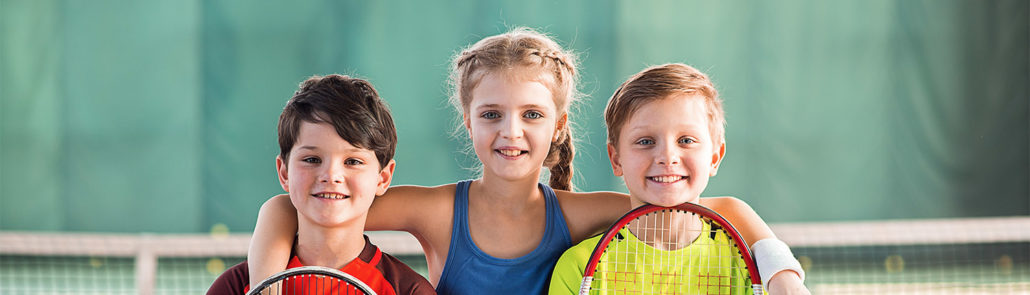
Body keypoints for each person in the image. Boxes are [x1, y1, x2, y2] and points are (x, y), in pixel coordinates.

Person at [247, 28, 802, 295]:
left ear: (558, 126)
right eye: (491, 114)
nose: (511, 132)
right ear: (468, 123)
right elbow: (288, 206)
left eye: (532, 115)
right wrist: (268, 282)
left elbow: (719, 208)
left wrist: (783, 275)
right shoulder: (439, 211)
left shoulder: (582, 214)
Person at [549, 64, 808, 294]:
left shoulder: (749, 267)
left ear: (715, 157)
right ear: (616, 159)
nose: (667, 156)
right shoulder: (580, 267)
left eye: (686, 140)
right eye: (646, 142)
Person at [207, 74, 435, 295]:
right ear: (284, 172)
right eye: (312, 160)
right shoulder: (236, 286)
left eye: (353, 161)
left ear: (383, 178)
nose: (330, 175)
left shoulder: (407, 290)